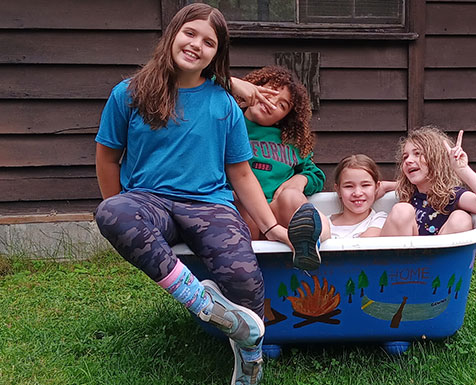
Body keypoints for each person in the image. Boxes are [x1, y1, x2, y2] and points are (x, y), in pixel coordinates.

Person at [93, 4, 282, 384]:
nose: (196, 45)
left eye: (209, 42)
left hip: (210, 205)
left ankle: (250, 358)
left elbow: (241, 172)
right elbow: (108, 158)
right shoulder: (129, 93)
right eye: (190, 33)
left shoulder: (223, 103)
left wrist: (272, 225)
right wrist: (122, 207)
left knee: (247, 281)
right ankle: (202, 303)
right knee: (112, 211)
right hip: (150, 201)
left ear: (217, 54)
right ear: (172, 33)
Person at [231, 66, 331, 271]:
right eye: (269, 93)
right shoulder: (230, 121)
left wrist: (300, 180)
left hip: (277, 215)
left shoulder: (292, 142)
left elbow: (316, 174)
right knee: (238, 201)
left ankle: (307, 247)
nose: (271, 103)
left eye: (282, 105)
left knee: (292, 197)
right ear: (253, 88)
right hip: (243, 216)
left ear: (284, 117)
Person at [380, 125, 476, 236]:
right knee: (402, 210)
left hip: (436, 259)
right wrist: (385, 186)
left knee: (461, 218)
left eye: (418, 153)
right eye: (405, 157)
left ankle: (435, 265)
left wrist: (462, 169)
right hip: (402, 260)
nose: (408, 160)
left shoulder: (451, 195)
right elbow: (373, 190)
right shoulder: (408, 192)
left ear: (437, 160)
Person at [329, 154, 394, 238]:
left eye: (365, 185)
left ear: (377, 187)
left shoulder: (379, 220)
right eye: (349, 186)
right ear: (338, 190)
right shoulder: (324, 223)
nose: (357, 193)